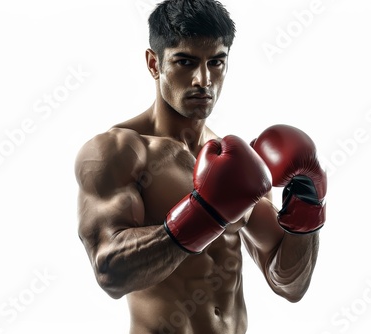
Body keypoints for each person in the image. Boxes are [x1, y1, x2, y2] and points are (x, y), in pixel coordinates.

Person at [74, 0, 327, 333]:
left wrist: (308, 213)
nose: (203, 80)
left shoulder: (238, 165)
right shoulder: (119, 151)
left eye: (216, 62)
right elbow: (110, 272)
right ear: (154, 63)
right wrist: (206, 212)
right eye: (185, 62)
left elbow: (289, 284)